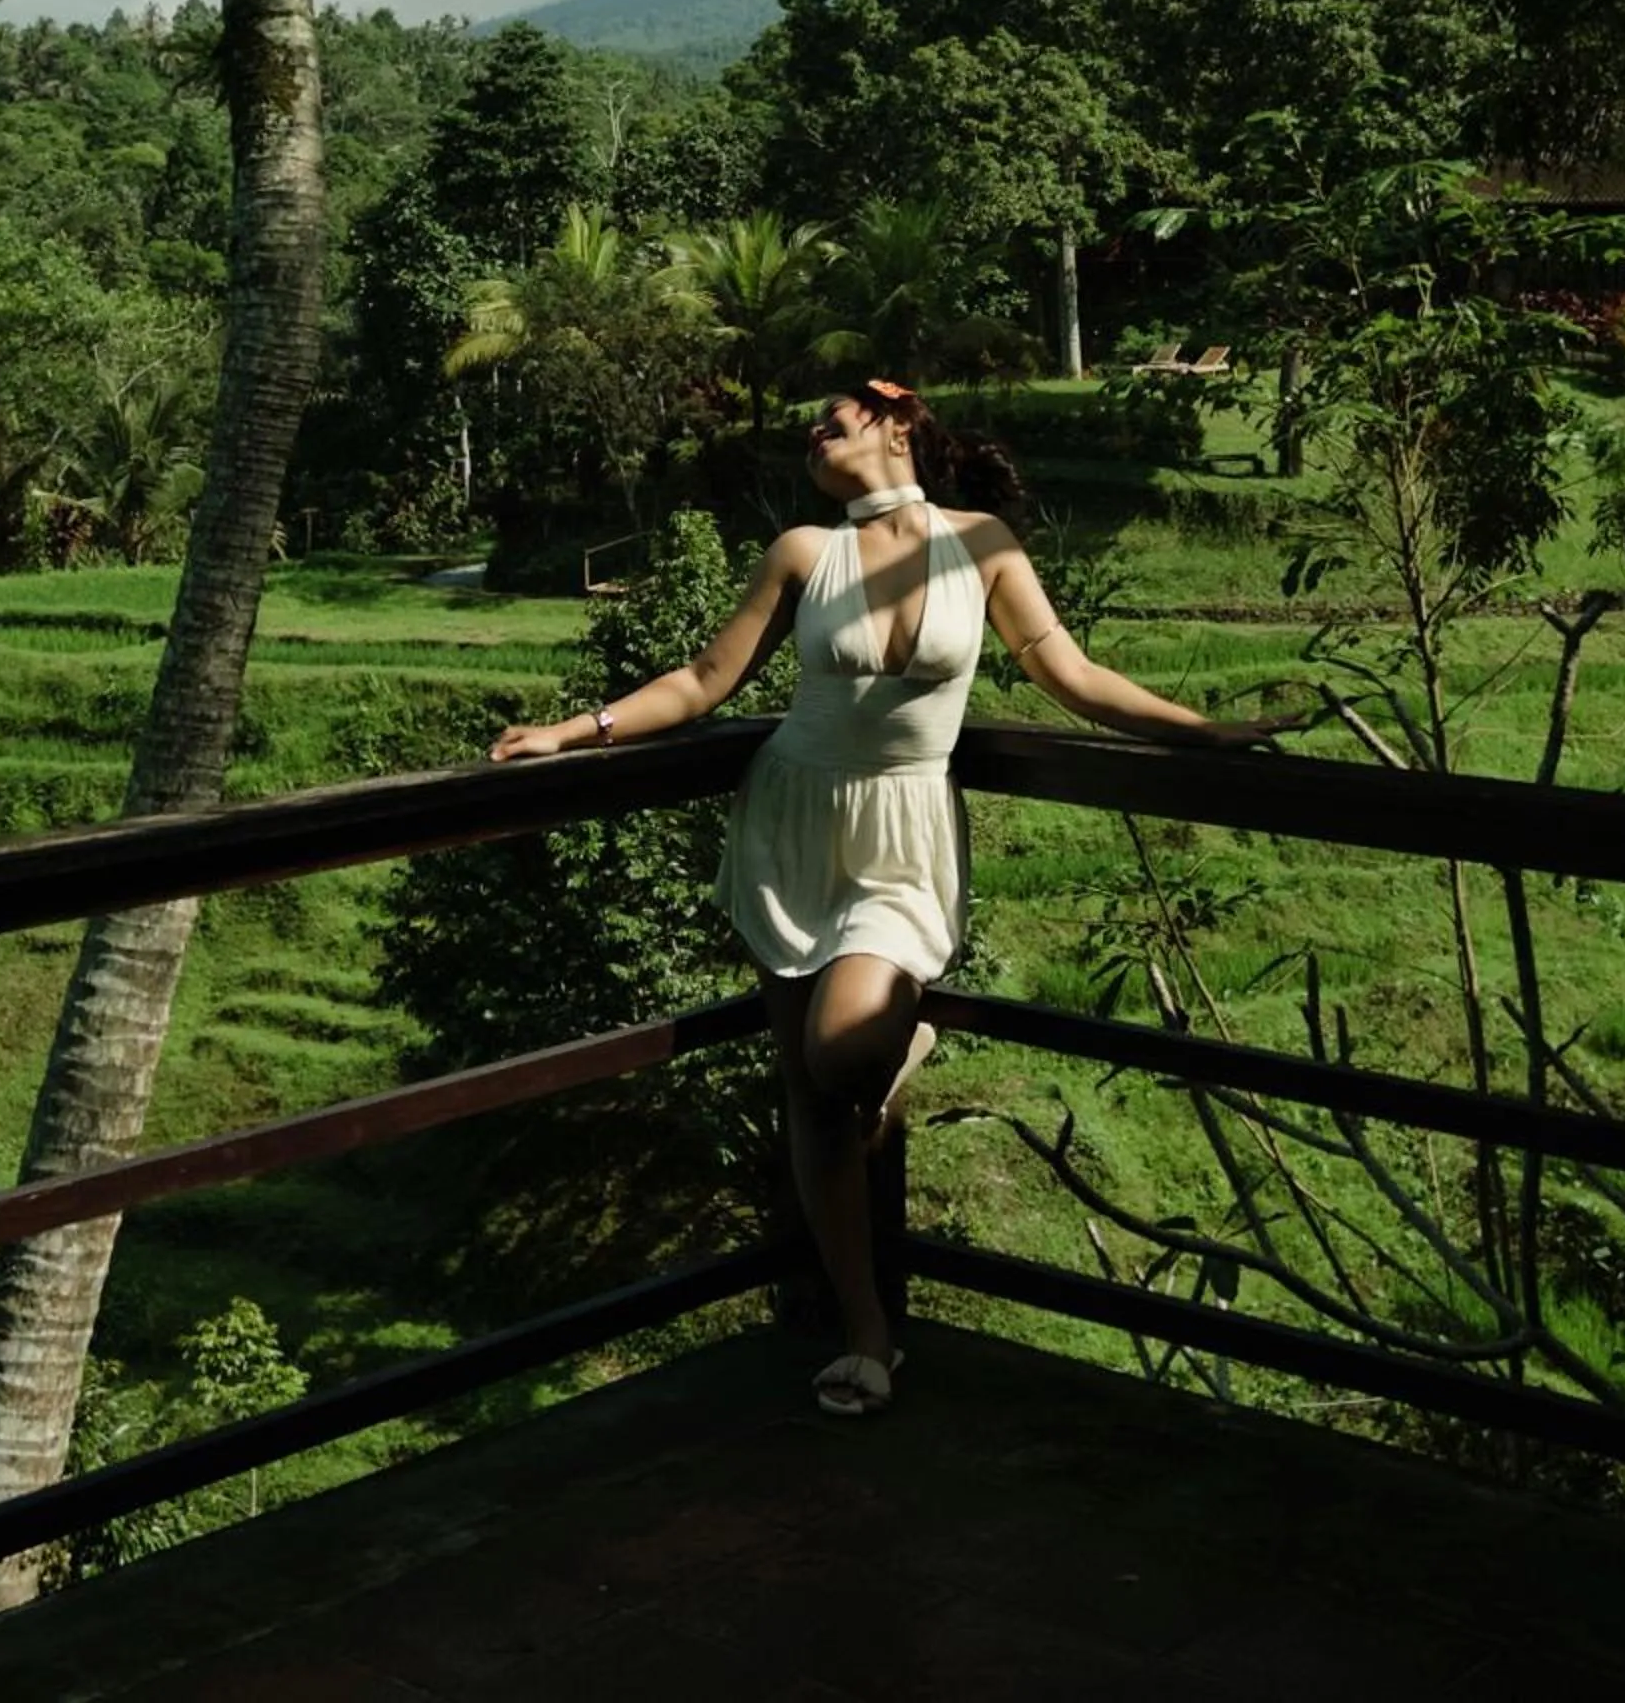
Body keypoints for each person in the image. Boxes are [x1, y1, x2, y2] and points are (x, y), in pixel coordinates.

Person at [488, 376, 1281, 1417]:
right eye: (809, 430)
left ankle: (897, 1043)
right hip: (793, 823)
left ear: (899, 422)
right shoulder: (802, 553)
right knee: (815, 1104)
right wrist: (572, 731)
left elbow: (1072, 675)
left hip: (902, 834)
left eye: (835, 417)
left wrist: (1203, 731)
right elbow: (703, 680)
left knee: (843, 1052)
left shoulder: (982, 544)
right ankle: (868, 1334)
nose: (815, 434)